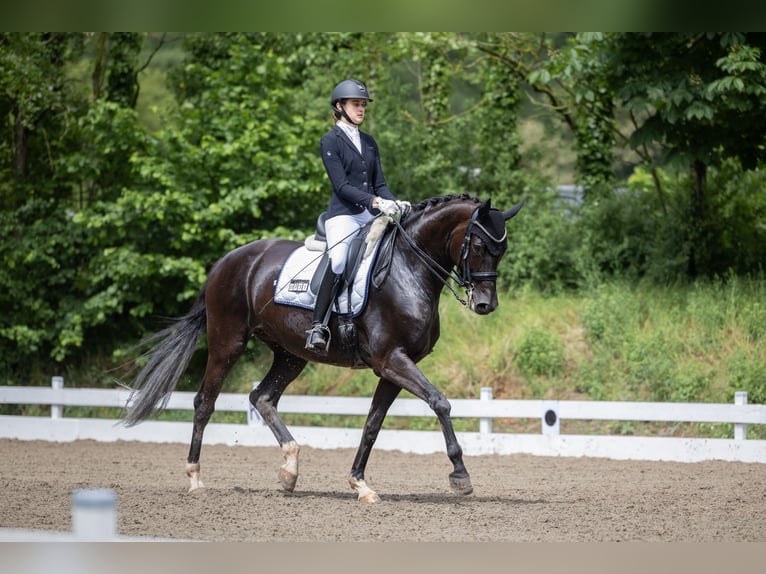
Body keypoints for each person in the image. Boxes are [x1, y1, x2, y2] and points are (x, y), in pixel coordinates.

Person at [305, 79, 410, 352]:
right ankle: (319, 325)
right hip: (344, 216)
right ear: (339, 106)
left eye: (363, 105)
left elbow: (380, 183)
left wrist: (393, 202)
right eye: (356, 104)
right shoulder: (330, 141)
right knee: (339, 259)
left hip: (369, 214)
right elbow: (341, 186)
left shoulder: (369, 142)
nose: (361, 109)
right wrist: (375, 201)